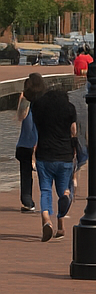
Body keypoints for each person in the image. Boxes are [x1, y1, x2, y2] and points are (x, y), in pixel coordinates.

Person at [31, 81, 78, 242]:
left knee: (45, 190)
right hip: (64, 155)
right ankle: (61, 225)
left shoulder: (39, 107)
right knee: (63, 189)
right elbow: (73, 131)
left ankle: (46, 220)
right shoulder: (69, 108)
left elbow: (36, 129)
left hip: (44, 154)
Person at [13, 73, 44, 212]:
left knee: (25, 175)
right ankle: (46, 201)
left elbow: (20, 117)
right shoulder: (43, 101)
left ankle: (28, 202)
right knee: (45, 174)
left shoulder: (26, 102)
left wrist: (22, 100)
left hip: (25, 144)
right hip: (41, 143)